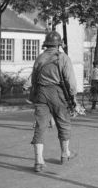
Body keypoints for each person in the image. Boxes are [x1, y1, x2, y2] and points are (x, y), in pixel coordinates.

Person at [29, 31, 82, 172]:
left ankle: (38, 161)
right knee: (63, 123)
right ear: (59, 44)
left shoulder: (40, 58)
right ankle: (65, 154)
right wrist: (74, 98)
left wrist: (35, 94)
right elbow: (70, 81)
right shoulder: (63, 58)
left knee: (40, 126)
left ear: (46, 44)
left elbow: (33, 79)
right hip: (58, 93)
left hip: (41, 93)